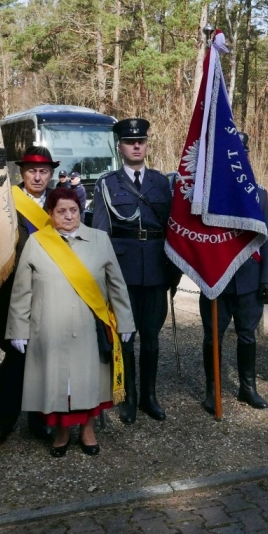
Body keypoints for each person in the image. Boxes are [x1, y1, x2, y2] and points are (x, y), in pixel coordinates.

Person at [6, 189, 135, 456]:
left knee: (89, 383)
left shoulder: (100, 240)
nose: (68, 216)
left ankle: (88, 431)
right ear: (50, 214)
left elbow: (117, 286)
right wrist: (18, 329)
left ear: (80, 210)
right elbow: (21, 291)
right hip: (49, 328)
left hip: (89, 327)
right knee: (57, 385)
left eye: (73, 210)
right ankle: (61, 433)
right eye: (61, 211)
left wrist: (125, 322)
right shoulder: (36, 242)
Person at [92, 118, 181, 423]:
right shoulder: (107, 184)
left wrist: (174, 272)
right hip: (123, 270)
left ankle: (149, 397)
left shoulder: (161, 183)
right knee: (126, 336)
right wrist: (103, 276)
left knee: (152, 338)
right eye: (130, 142)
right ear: (120, 146)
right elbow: (101, 233)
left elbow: (174, 229)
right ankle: (127, 397)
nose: (136, 146)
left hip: (157, 268)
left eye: (141, 141)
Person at [198, 132, 268, 412]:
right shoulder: (207, 194)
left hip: (248, 280)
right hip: (216, 280)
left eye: (243, 150)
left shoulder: (259, 193)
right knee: (212, 337)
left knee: (247, 335)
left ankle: (248, 388)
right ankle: (213, 389)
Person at [0, 145, 58, 443]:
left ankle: (39, 420)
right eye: (31, 170)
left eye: (43, 171)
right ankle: (4, 421)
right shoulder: (5, 202)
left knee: (46, 357)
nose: (37, 176)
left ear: (51, 174)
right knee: (16, 358)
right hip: (14, 291)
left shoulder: (61, 203)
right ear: (21, 172)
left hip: (51, 291)